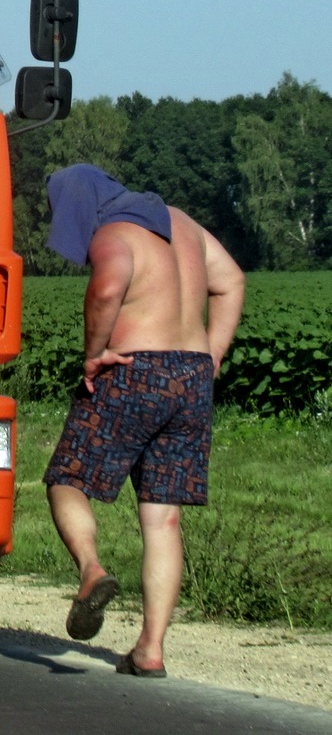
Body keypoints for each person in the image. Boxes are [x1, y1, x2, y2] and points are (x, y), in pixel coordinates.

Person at [40, 163, 245, 678]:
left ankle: (92, 571)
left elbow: (107, 289)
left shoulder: (115, 231)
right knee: (163, 517)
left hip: (134, 370)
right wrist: (212, 353)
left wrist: (93, 354)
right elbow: (232, 279)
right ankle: (150, 649)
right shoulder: (183, 223)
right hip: (191, 378)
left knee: (68, 479)